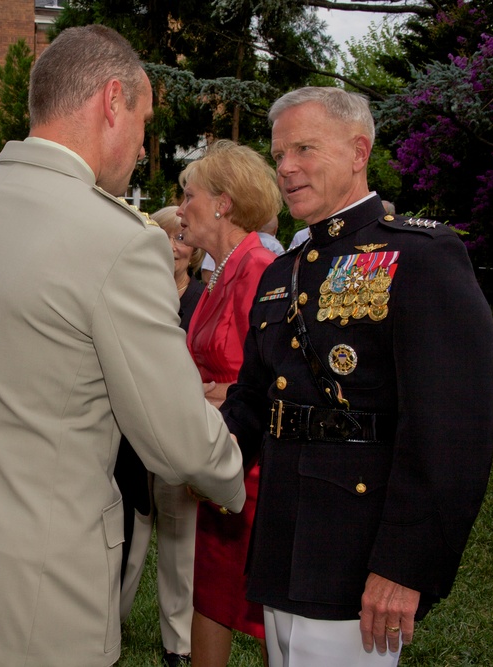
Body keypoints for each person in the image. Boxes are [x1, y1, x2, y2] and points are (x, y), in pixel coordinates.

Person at [0, 25, 246, 667]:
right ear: (113, 101)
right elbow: (173, 435)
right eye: (143, 119)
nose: (142, 143)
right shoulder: (120, 239)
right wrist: (232, 474)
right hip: (41, 586)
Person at [223, 86, 493, 666]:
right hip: (281, 547)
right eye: (278, 155)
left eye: (303, 148)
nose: (286, 168)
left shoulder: (420, 255)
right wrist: (190, 456)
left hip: (358, 564)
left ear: (357, 151)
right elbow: (251, 402)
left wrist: (403, 566)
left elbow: (451, 433)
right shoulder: (281, 273)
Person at [176, 139, 282, 667]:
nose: (180, 207)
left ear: (223, 201)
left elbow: (267, 375)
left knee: (265, 612)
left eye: (188, 194)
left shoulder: (260, 268)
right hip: (219, 459)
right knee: (210, 594)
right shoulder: (216, 272)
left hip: (256, 468)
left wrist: (213, 392)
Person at [117, 206, 206, 667]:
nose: (174, 246)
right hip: (130, 434)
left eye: (182, 238)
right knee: (129, 530)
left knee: (179, 539)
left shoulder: (204, 298)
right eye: (166, 236)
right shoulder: (132, 291)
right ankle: (111, 621)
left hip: (178, 432)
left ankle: (179, 643)